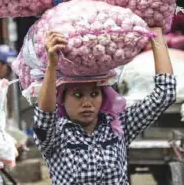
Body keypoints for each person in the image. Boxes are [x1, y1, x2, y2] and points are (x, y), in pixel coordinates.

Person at [33, 27, 176, 184]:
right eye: (77, 95)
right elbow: (45, 115)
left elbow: (165, 94)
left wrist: (156, 33)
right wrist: (52, 64)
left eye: (94, 94)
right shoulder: (54, 136)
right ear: (62, 99)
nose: (87, 103)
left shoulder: (118, 127)